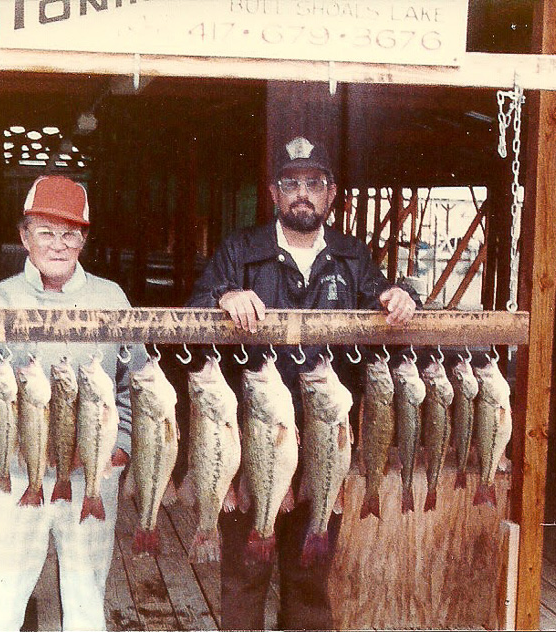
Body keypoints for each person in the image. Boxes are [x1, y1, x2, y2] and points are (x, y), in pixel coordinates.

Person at [187, 136, 419, 630]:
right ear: (273, 193)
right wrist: (223, 297)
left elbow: (386, 302)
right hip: (255, 442)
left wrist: (404, 296)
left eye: (314, 183)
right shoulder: (239, 251)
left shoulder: (353, 257)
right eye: (291, 183)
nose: (302, 193)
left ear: (332, 194)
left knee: (310, 582)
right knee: (245, 578)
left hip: (323, 442)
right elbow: (193, 310)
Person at [0, 175, 146, 631]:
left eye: (70, 233)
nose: (58, 243)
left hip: (90, 473)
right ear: (24, 236)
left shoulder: (113, 300)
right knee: (3, 606)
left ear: (84, 240)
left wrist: (121, 447)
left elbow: (133, 387)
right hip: (11, 476)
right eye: (45, 231)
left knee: (87, 606)